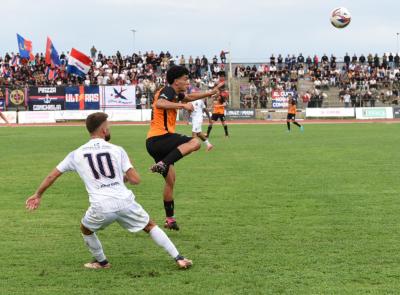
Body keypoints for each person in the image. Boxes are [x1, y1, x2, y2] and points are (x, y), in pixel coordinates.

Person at [26, 112, 192, 270]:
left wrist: (38, 195)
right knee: (150, 226)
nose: (109, 129)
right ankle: (179, 258)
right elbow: (135, 180)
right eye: (109, 127)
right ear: (104, 130)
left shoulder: (76, 154)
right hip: (124, 201)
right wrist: (126, 174)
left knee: (86, 229)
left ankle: (102, 262)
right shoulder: (117, 150)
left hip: (101, 206)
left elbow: (51, 176)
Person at [146, 65, 223, 230]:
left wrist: (209, 93)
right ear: (176, 81)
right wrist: (182, 106)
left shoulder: (173, 93)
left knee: (170, 181)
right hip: (160, 137)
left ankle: (169, 219)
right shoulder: (167, 90)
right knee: (195, 142)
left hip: (154, 143)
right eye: (185, 79)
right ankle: (163, 164)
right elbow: (160, 103)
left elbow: (188, 97)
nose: (187, 81)